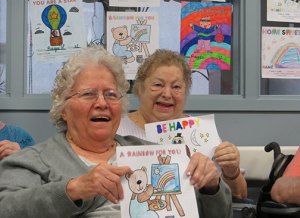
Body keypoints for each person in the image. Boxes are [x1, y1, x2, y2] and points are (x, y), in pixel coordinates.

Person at [0, 47, 232, 218]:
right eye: (88, 94)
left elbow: (219, 214)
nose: (102, 103)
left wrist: (211, 186)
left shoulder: (157, 154)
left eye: (111, 95)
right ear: (63, 109)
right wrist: (74, 189)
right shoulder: (32, 160)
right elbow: (7, 208)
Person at [118, 48, 247, 199]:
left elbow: (239, 196)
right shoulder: (117, 129)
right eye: (158, 85)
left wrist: (231, 172)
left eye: (176, 87)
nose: (167, 94)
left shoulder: (200, 133)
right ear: (140, 88)